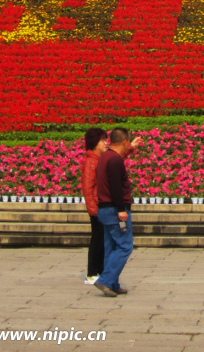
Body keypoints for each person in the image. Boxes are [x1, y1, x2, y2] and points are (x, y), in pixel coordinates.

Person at [94, 127, 140, 297]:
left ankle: (112, 283)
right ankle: (106, 280)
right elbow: (115, 187)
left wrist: (130, 149)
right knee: (125, 245)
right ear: (124, 141)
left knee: (111, 246)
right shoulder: (114, 160)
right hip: (114, 210)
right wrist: (121, 209)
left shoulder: (106, 156)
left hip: (105, 209)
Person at [81, 127, 108, 285]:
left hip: (100, 208)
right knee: (97, 240)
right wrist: (93, 211)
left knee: (101, 240)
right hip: (97, 209)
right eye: (102, 141)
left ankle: (99, 271)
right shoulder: (91, 161)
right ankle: (92, 273)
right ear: (94, 143)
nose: (106, 143)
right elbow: (88, 188)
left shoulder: (98, 159)